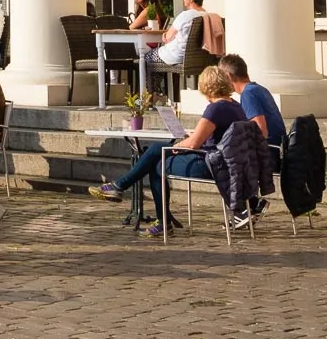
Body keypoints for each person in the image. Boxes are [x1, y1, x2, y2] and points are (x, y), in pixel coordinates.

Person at [89, 65, 248, 236]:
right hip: (226, 162)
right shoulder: (235, 107)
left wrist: (177, 146)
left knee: (157, 160)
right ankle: (121, 188)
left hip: (210, 164)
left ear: (206, 86)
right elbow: (214, 135)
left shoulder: (215, 108)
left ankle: (125, 190)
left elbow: (194, 144)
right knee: (157, 155)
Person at [221, 51, 286, 205]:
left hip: (268, 154)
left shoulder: (248, 94)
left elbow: (260, 129)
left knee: (224, 163)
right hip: (277, 150)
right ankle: (251, 206)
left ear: (229, 77)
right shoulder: (260, 89)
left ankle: (247, 208)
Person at [142, 0, 206, 79]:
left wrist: (164, 36)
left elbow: (168, 37)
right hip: (195, 57)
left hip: (177, 55)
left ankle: (152, 91)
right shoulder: (206, 15)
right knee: (155, 56)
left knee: (146, 57)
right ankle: (161, 91)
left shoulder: (185, 15)